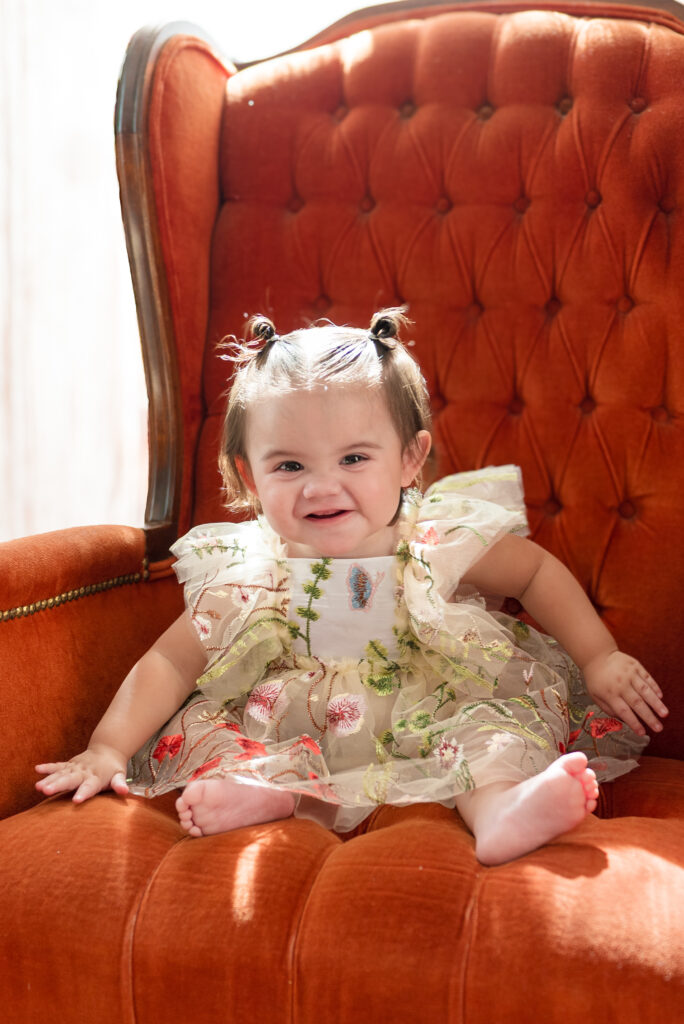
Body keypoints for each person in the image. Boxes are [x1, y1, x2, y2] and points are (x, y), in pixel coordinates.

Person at [35, 310, 668, 865]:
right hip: (296, 721)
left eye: (354, 458)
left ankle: (502, 809)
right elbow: (172, 661)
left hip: (432, 708)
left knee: (487, 734)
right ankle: (267, 791)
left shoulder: (435, 541)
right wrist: (107, 748)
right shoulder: (251, 572)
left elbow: (533, 572)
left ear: (410, 459)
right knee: (228, 736)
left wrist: (598, 655)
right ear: (250, 478)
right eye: (289, 465)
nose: (320, 486)